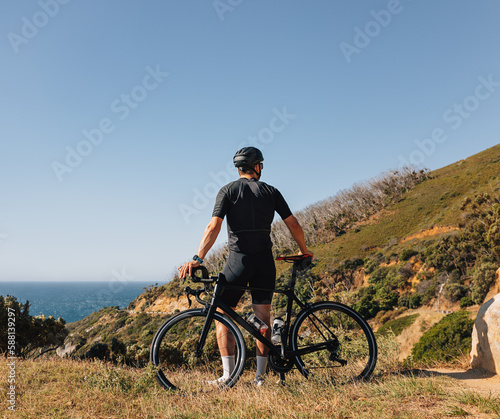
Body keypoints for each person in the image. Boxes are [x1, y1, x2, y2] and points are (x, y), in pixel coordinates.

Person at [178, 146, 313, 385]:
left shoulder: (228, 191)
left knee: (222, 316)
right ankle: (260, 377)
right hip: (264, 262)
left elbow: (213, 227)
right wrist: (304, 251)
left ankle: (228, 375)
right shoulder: (271, 191)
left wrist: (198, 258)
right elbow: (293, 224)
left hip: (238, 262)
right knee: (263, 318)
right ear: (258, 167)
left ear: (239, 168)